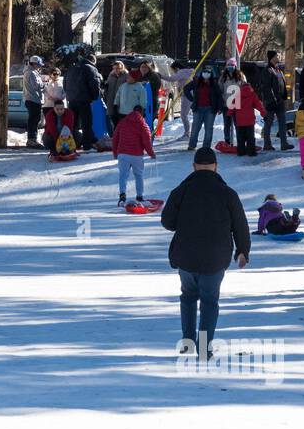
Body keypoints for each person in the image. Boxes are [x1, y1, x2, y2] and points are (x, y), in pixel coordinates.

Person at [161, 147, 250, 357]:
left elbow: (167, 222)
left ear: (193, 167)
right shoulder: (228, 193)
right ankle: (204, 348)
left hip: (186, 255)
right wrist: (242, 250)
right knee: (210, 301)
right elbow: (240, 225)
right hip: (215, 257)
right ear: (216, 168)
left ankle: (188, 342)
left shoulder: (181, 191)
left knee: (188, 296)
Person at [112, 104, 155, 206]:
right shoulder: (142, 124)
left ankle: (122, 196)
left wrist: (115, 152)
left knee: (123, 176)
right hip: (137, 155)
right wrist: (151, 153)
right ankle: (139, 196)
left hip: (123, 154)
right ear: (142, 113)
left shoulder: (122, 122)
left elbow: (115, 138)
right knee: (138, 175)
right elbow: (147, 141)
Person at [63, 53, 102, 148]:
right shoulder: (90, 68)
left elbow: (64, 83)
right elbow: (94, 84)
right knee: (86, 123)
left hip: (71, 99)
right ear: (93, 61)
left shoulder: (72, 68)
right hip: (84, 99)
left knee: (73, 123)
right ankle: (87, 144)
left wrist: (69, 95)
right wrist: (94, 97)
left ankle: (74, 143)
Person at [258, 50, 292, 151]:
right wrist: (272, 100)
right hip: (271, 102)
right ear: (272, 58)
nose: (278, 58)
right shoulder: (267, 70)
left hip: (279, 100)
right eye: (277, 56)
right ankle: (267, 144)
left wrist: (284, 96)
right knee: (269, 122)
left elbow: (282, 84)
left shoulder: (278, 70)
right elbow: (267, 87)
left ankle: (284, 143)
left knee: (282, 122)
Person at [228, 75, 265, 157]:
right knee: (250, 138)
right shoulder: (252, 94)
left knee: (240, 138)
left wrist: (229, 113)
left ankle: (241, 152)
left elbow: (233, 106)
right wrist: (263, 114)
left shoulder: (238, 95)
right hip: (249, 120)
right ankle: (251, 152)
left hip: (240, 120)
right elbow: (259, 105)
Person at [187, 68, 224, 150]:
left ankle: (206, 147)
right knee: (195, 128)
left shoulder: (214, 84)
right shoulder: (196, 82)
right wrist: (192, 99)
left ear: (211, 74)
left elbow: (219, 96)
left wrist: (220, 107)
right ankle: (192, 145)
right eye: (204, 72)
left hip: (210, 109)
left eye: (208, 72)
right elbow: (186, 89)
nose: (206, 74)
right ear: (201, 73)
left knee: (209, 129)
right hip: (198, 109)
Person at [166, 60, 195, 140]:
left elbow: (172, 79)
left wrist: (161, 76)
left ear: (177, 68)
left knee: (183, 115)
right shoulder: (186, 72)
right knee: (185, 115)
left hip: (187, 95)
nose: (173, 72)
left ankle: (187, 134)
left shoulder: (181, 72)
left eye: (173, 70)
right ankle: (188, 133)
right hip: (188, 94)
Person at [23, 55, 46, 148]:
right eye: (39, 65)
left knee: (35, 120)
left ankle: (32, 139)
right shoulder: (31, 73)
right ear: (34, 64)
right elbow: (36, 86)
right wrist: (44, 84)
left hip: (33, 99)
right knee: (33, 120)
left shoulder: (31, 72)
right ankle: (32, 140)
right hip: (33, 99)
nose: (40, 67)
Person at [220, 60, 242, 147]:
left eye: (232, 65)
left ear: (235, 66)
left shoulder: (240, 76)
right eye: (228, 65)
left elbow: (244, 87)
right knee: (227, 125)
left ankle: (240, 141)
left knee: (238, 124)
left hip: (237, 104)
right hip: (226, 105)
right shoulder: (223, 77)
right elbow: (220, 89)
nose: (230, 67)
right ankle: (227, 141)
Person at [104, 60, 129, 133]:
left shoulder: (126, 76)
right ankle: (116, 138)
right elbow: (108, 84)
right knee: (114, 121)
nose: (116, 70)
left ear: (122, 68)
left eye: (118, 68)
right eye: (114, 68)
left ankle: (119, 138)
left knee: (120, 122)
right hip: (111, 102)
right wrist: (105, 86)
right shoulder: (111, 75)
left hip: (122, 103)